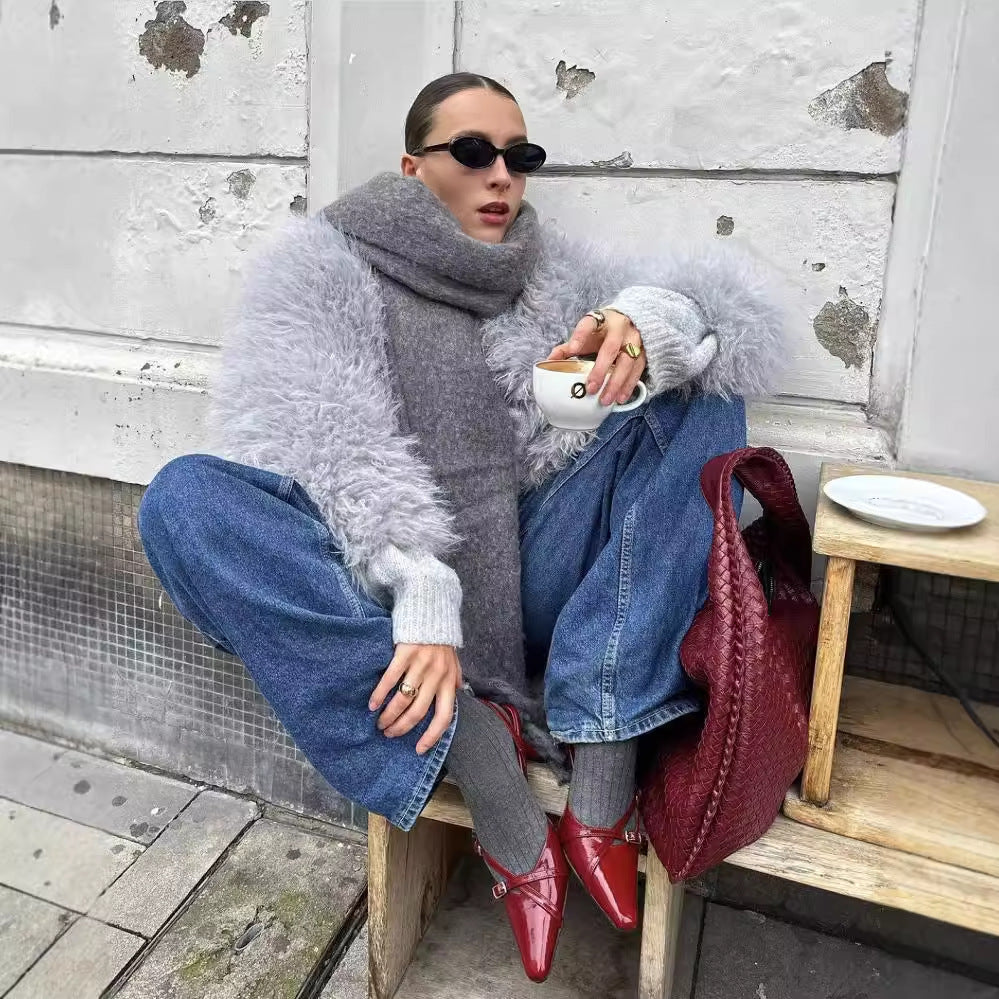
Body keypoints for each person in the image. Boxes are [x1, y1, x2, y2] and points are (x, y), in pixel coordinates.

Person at [137, 72, 783, 982]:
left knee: (707, 407)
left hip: (540, 569)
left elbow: (712, 318)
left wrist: (648, 324)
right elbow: (325, 450)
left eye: (519, 156)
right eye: (473, 152)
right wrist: (421, 586)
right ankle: (478, 748)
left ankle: (604, 749)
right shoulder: (321, 269)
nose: (501, 176)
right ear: (414, 166)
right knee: (183, 502)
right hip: (389, 592)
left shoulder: (552, 273)